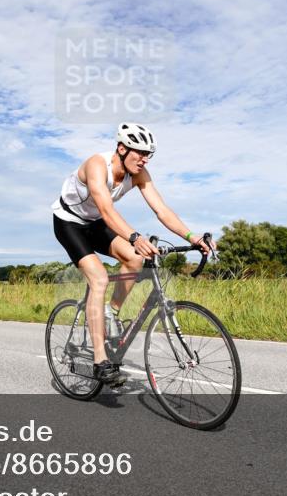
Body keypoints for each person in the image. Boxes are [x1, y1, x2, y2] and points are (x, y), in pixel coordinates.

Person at [51, 122, 213, 387]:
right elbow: (106, 209)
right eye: (140, 152)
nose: (145, 159)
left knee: (135, 259)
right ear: (122, 148)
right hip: (69, 223)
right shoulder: (96, 165)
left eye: (149, 154)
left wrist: (191, 237)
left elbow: (162, 210)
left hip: (95, 224)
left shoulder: (139, 174)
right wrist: (135, 237)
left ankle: (110, 312)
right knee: (99, 279)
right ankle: (100, 362)